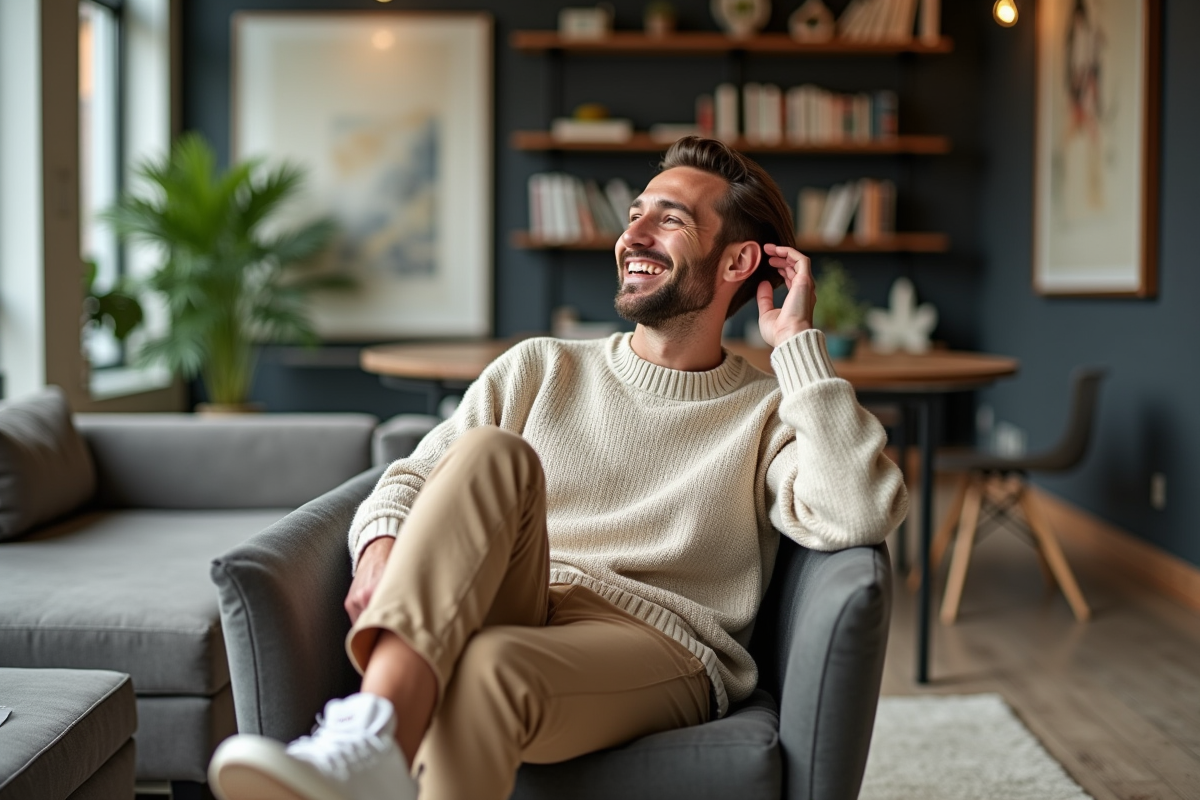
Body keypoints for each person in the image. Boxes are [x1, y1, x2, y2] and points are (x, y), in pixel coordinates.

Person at [208, 136, 908, 800]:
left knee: (488, 672)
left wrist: (797, 350)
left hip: (659, 644)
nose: (632, 236)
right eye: (634, 216)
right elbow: (413, 474)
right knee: (491, 454)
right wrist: (380, 545)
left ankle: (374, 750)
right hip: (522, 595)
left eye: (669, 222)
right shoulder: (541, 365)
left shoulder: (767, 414)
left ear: (736, 263)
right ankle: (367, 740)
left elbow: (859, 509)